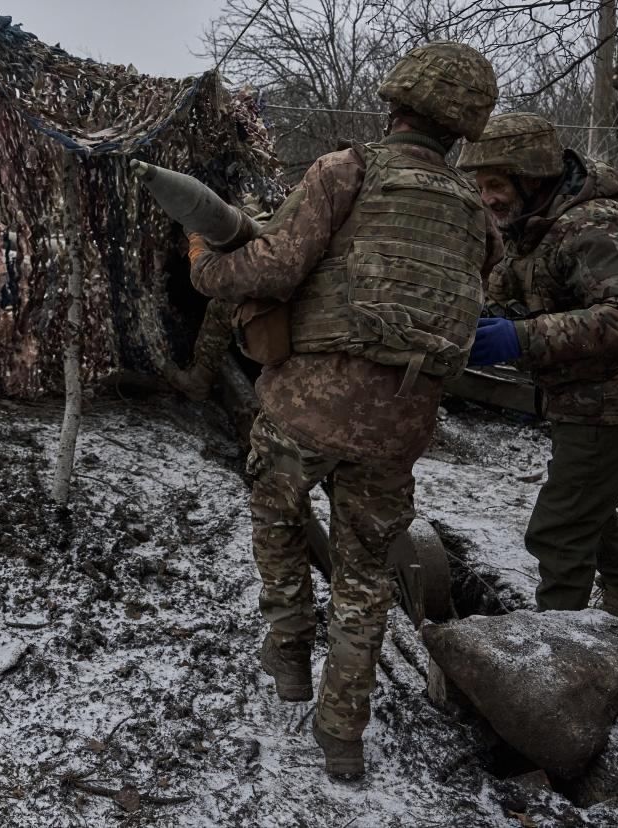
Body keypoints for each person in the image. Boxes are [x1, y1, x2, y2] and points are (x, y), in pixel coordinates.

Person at [190, 42, 501, 779]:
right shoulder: (475, 214)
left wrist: (206, 266)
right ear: (462, 129)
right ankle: (343, 738)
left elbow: (274, 265)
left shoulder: (345, 171)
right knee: (366, 574)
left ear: (394, 103)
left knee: (277, 517)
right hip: (400, 422)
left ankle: (290, 656)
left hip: (307, 405)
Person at [457, 112, 618, 649]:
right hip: (579, 393)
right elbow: (528, 290)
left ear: (532, 177)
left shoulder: (592, 225)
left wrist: (520, 337)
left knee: (558, 529)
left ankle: (563, 653)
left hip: (615, 398)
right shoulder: (533, 225)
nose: (487, 198)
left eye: (496, 185)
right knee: (587, 506)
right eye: (479, 186)